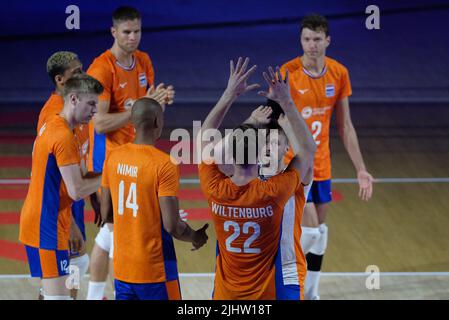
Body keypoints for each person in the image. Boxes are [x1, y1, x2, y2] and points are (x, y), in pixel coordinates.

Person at [198, 57, 316, 299]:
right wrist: (287, 103)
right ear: (259, 150)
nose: (271, 147)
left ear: (287, 148)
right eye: (267, 143)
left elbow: (206, 143)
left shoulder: (229, 184)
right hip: (265, 280)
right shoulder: (276, 188)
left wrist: (243, 113)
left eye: (278, 143)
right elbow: (307, 150)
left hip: (284, 271)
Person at [275, 14, 374, 299]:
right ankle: (275, 266)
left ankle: (311, 292)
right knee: (311, 231)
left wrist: (361, 169)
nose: (311, 45)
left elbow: (345, 125)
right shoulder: (288, 72)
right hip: (294, 166)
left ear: (327, 41)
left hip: (323, 167)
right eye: (306, 39)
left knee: (320, 233)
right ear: (300, 40)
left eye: (317, 39)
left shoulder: (339, 73)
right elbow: (276, 120)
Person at [85, 6, 174, 300]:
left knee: (111, 233)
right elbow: (98, 123)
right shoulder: (102, 69)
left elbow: (146, 108)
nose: (133, 37)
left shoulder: (144, 61)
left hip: (136, 155)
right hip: (110, 159)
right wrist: (140, 107)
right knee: (115, 233)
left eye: (137, 31)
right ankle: (101, 294)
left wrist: (159, 101)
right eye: (126, 32)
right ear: (113, 32)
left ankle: (96, 295)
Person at [100, 97, 208, 300]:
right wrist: (196, 237)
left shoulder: (113, 157)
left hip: (123, 269)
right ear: (158, 122)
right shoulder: (164, 164)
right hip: (155, 270)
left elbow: (106, 213)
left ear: (132, 122)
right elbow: (172, 226)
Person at [19, 73, 104, 300]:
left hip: (55, 217)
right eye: (92, 104)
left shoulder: (64, 127)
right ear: (74, 99)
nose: (96, 111)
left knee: (78, 262)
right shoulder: (63, 136)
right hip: (45, 224)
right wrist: (111, 175)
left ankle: (49, 291)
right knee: (59, 298)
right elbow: (76, 190)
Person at [35, 51, 91, 300]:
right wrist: (69, 225)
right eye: (76, 72)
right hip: (58, 210)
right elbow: (55, 177)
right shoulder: (55, 117)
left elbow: (78, 159)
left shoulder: (76, 104)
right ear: (60, 80)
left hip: (73, 200)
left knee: (74, 271)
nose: (83, 75)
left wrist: (94, 195)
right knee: (72, 272)